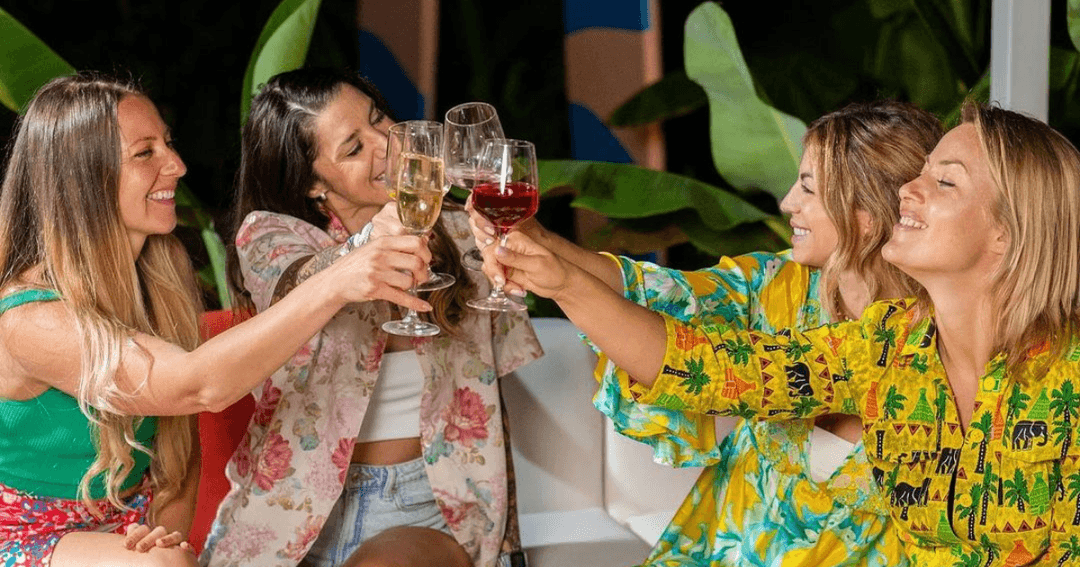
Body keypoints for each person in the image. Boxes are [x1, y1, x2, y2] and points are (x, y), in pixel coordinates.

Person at [497, 101, 1080, 566]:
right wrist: (559, 280)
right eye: (920, 173)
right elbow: (709, 369)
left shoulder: (1068, 374)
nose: (909, 188)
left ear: (1007, 234)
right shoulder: (887, 346)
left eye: (945, 183)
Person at [0, 73, 435, 567]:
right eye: (146, 153)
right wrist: (339, 281)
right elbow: (195, 386)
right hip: (24, 532)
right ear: (82, 178)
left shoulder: (156, 284)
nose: (177, 165)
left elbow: (179, 454)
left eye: (168, 143)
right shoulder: (31, 317)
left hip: (127, 527)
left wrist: (165, 533)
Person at [200, 68, 543, 567]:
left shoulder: (458, 229)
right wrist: (368, 244)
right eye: (353, 148)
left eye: (379, 119)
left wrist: (513, 260)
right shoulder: (274, 237)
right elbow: (296, 284)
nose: (386, 144)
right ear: (314, 184)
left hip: (424, 505)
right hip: (290, 508)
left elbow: (497, 377)